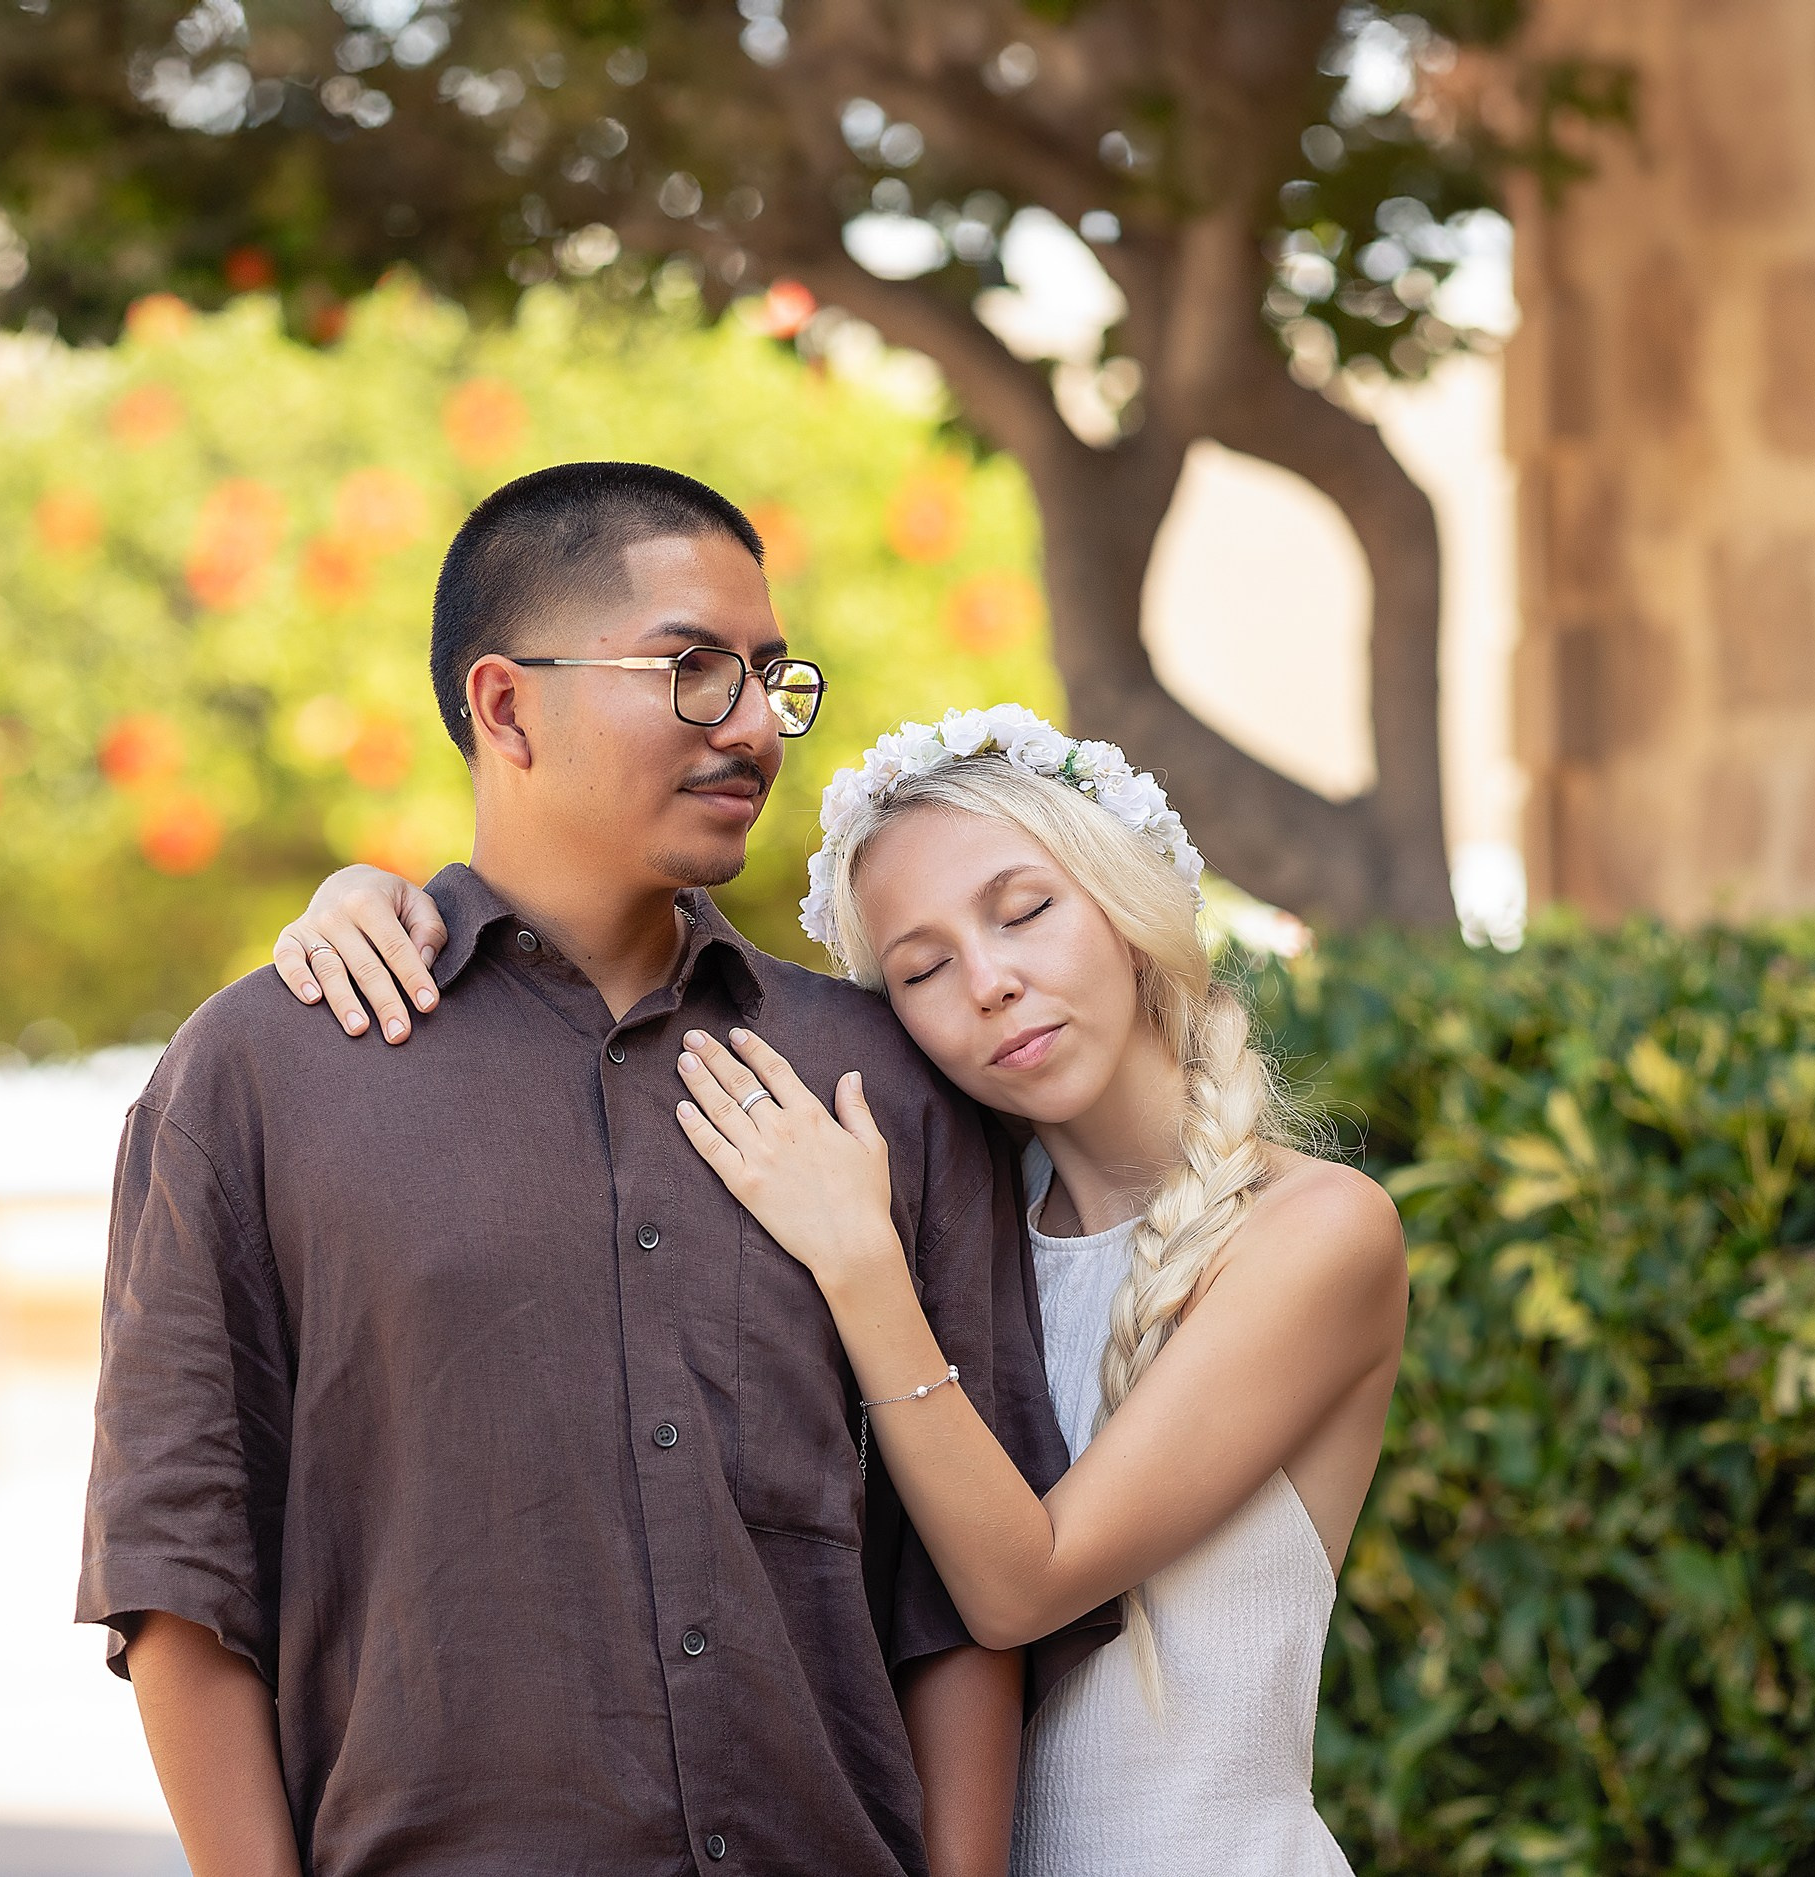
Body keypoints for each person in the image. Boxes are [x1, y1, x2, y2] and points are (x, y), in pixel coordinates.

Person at [80, 465, 1107, 1877]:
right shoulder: (262, 1074)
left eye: (766, 674)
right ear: (505, 707)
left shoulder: (884, 1079)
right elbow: (182, 1580)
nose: (751, 725)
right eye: (690, 670)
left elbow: (958, 1596)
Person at [279, 705, 1409, 1875]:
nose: (990, 981)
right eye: (921, 967)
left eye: (1026, 912)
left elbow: (1027, 1585)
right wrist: (375, 903)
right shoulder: (955, 1224)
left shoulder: (1313, 1230)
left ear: (1128, 907)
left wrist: (861, 1264)